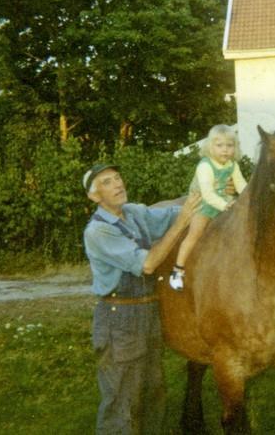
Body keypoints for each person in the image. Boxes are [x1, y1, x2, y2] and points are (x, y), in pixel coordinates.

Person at [82, 163, 200, 435]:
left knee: (152, 393)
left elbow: (179, 213)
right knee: (123, 400)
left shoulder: (134, 213)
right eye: (107, 182)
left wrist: (209, 194)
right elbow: (147, 264)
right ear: (94, 196)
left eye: (118, 178)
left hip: (147, 312)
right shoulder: (98, 231)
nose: (118, 185)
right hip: (119, 319)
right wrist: (181, 224)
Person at [169, 124, 247, 291]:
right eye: (219, 145)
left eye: (229, 145)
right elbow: (207, 193)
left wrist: (249, 198)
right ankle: (177, 270)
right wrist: (226, 205)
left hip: (223, 201)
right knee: (194, 235)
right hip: (203, 204)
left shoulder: (232, 165)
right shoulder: (205, 166)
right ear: (210, 147)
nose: (225, 150)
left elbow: (241, 185)